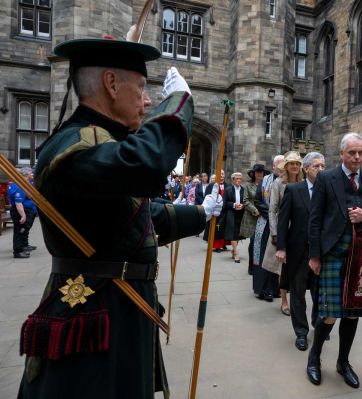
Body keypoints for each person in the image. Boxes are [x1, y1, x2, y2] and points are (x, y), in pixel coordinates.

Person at [16, 37, 221, 399]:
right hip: (92, 311)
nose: (146, 101)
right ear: (111, 84)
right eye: (141, 88)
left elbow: (137, 218)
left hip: (121, 307)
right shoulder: (74, 145)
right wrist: (178, 105)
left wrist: (200, 214)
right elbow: (148, 166)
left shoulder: (99, 142)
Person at [306, 133, 362, 388]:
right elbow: (315, 219)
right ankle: (314, 358)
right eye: (352, 152)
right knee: (329, 313)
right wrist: (314, 255)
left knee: (353, 313)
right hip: (333, 253)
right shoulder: (327, 178)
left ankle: (343, 362)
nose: (357, 157)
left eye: (360, 153)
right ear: (342, 154)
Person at [276, 152, 325, 351]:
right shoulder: (294, 190)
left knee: (319, 292)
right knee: (297, 293)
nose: (321, 170)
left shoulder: (328, 190)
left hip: (321, 252)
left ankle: (318, 324)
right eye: (316, 166)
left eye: (323, 166)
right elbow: (283, 220)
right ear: (306, 169)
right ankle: (301, 333)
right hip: (298, 251)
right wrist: (281, 247)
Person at [263, 151, 303, 316]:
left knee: (298, 266)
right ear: (286, 166)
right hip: (282, 228)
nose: (294, 166)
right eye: (291, 163)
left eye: (297, 163)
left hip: (299, 229)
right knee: (282, 267)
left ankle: (297, 300)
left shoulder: (304, 182)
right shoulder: (278, 183)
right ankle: (284, 301)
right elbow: (272, 210)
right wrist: (274, 233)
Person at [252, 155, 284, 300]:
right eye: (279, 164)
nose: (281, 166)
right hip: (265, 224)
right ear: (273, 166)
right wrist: (271, 215)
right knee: (264, 255)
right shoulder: (265, 180)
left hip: (283, 224)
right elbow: (258, 200)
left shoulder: (288, 180)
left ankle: (277, 288)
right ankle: (264, 289)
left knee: (277, 257)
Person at [240, 164, 268, 274]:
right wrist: (254, 210)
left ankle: (261, 265)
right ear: (254, 173)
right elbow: (245, 200)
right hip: (252, 218)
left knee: (262, 242)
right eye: (257, 172)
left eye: (261, 172)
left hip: (264, 217)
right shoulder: (248, 185)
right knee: (253, 243)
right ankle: (251, 265)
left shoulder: (266, 185)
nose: (259, 174)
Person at [7, 167, 37, 258]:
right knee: (20, 231)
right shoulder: (19, 185)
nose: (32, 174)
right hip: (20, 211)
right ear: (26, 175)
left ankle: (22, 247)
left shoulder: (21, 184)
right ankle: (18, 251)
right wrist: (23, 215)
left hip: (23, 210)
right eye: (31, 173)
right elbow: (18, 203)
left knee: (21, 230)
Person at [203, 170, 230, 252]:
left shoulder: (228, 186)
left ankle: (224, 244)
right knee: (215, 229)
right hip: (214, 210)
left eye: (223, 174)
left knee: (224, 228)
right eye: (220, 173)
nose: (221, 175)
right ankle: (216, 245)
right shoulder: (211, 185)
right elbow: (207, 197)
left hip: (224, 211)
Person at [224, 172, 245, 263]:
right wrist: (233, 205)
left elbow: (246, 201)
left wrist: (243, 205)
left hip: (240, 214)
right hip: (231, 214)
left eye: (240, 179)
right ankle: (236, 253)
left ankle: (233, 249)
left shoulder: (244, 190)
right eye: (236, 178)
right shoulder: (228, 190)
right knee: (233, 233)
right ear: (233, 180)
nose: (238, 180)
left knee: (237, 234)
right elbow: (224, 203)